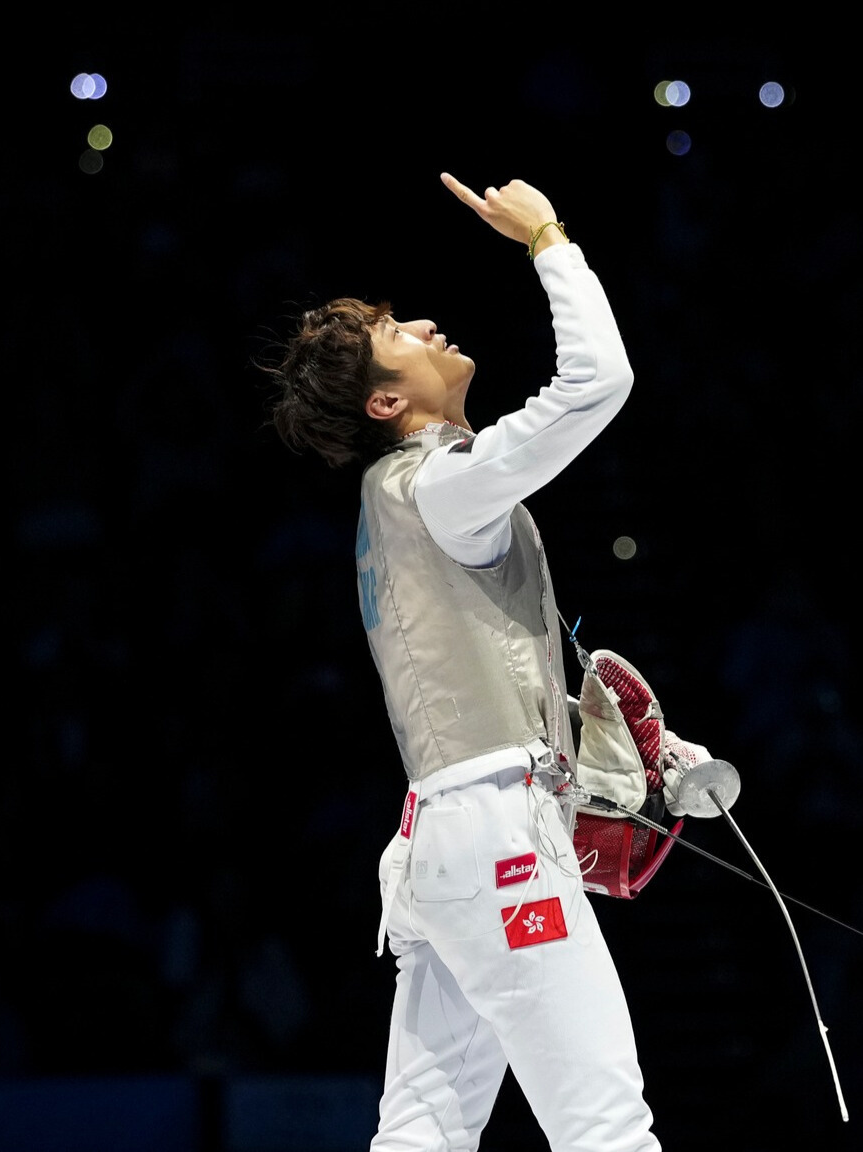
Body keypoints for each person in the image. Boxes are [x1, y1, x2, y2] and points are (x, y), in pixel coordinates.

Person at [268, 174, 660, 1151]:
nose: (430, 324)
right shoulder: (438, 486)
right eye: (401, 331)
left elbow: (489, 665)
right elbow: (596, 384)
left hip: (451, 842)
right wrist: (547, 240)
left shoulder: (410, 507)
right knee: (605, 1124)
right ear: (389, 398)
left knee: (424, 1127)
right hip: (496, 836)